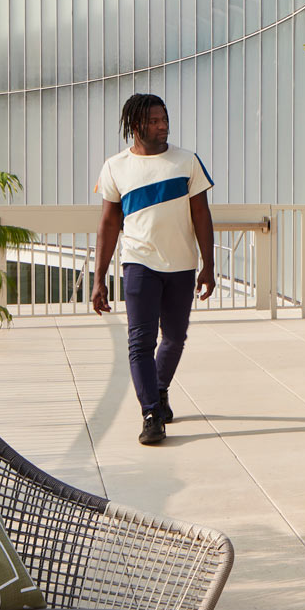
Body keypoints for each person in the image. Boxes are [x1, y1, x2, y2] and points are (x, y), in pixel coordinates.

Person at [93, 93, 217, 446]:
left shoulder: (187, 161)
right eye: (154, 121)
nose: (163, 126)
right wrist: (99, 278)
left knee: (175, 337)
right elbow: (108, 223)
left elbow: (201, 215)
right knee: (140, 341)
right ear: (135, 126)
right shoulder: (115, 167)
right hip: (138, 264)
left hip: (181, 266)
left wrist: (208, 266)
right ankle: (150, 413)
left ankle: (158, 389)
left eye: (164, 119)